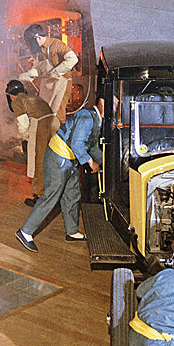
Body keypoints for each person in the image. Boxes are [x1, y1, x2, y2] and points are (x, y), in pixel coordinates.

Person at [14, 98, 102, 252]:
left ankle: (72, 231)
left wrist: (105, 162)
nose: (117, 105)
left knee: (72, 194)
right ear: (102, 102)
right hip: (58, 158)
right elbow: (77, 144)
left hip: (69, 160)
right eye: (115, 102)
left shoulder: (94, 118)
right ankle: (25, 232)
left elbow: (91, 146)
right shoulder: (87, 118)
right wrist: (90, 162)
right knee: (51, 196)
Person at [5, 79, 60, 206]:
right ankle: (53, 192)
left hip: (41, 125)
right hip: (53, 123)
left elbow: (23, 124)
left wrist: (25, 138)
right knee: (50, 159)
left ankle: (40, 197)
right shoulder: (34, 97)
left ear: (11, 95)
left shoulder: (17, 101)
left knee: (38, 161)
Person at [19, 23, 78, 124]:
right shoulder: (40, 51)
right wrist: (29, 74)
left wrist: (55, 72)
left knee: (58, 114)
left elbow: (73, 59)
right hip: (50, 85)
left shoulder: (56, 44)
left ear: (38, 37)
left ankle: (59, 133)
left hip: (62, 83)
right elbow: (40, 68)